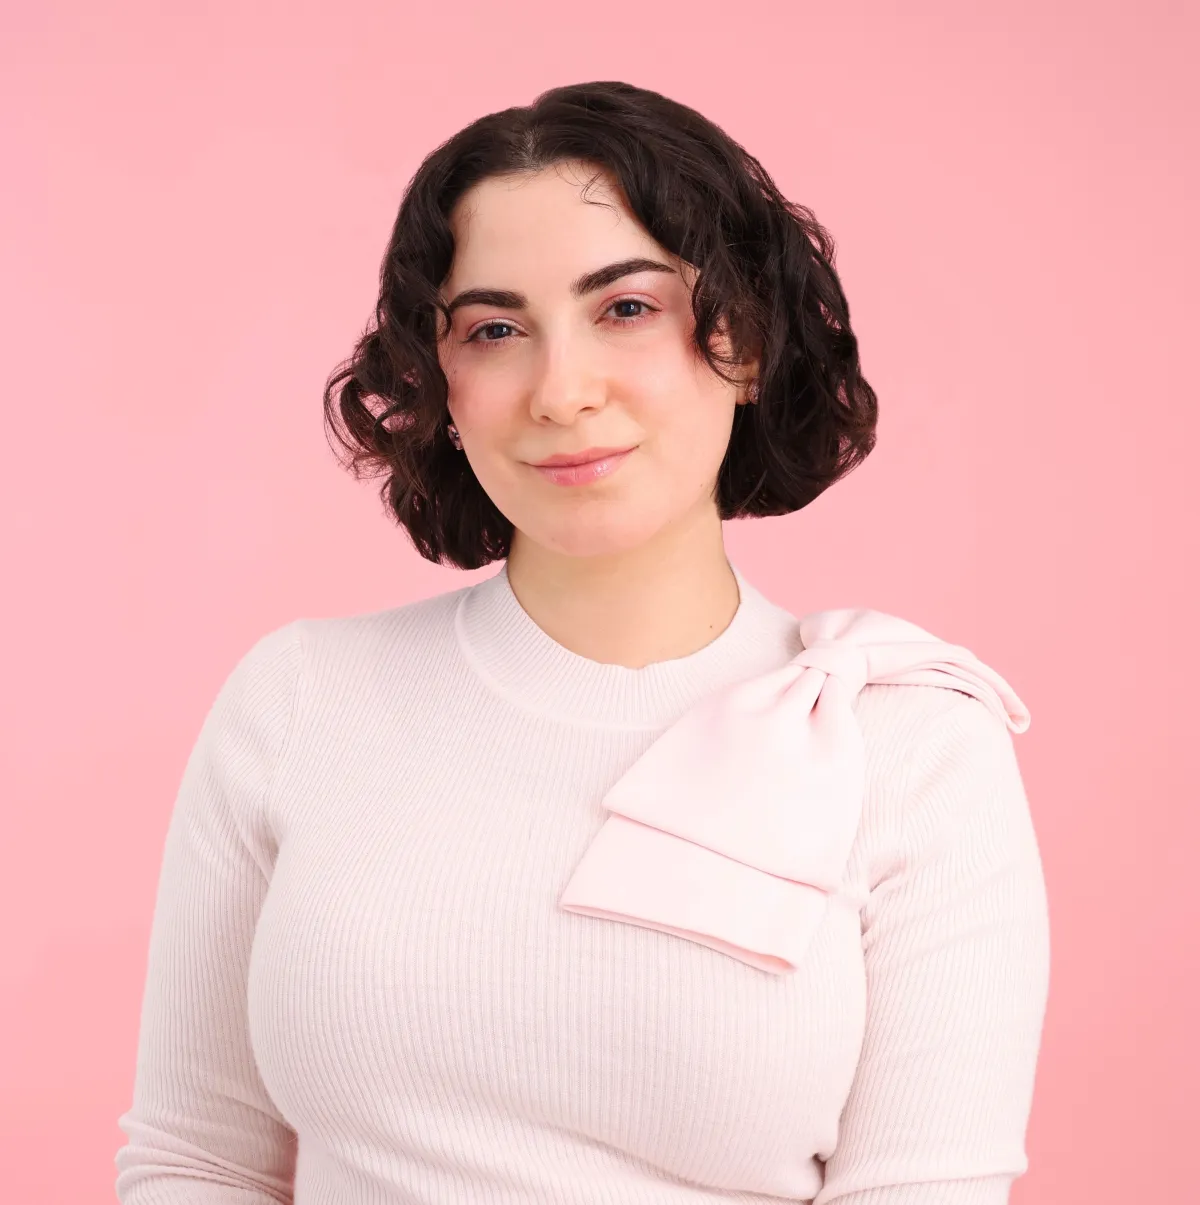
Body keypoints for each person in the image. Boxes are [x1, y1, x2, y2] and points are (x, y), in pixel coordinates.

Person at [115, 80, 1050, 1204]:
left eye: (626, 308)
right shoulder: (301, 696)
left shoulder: (908, 740)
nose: (562, 391)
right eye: (496, 329)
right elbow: (197, 1161)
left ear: (743, 341)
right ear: (440, 384)